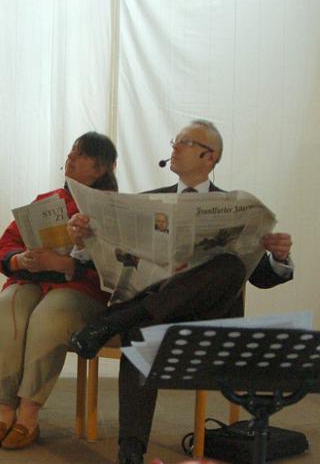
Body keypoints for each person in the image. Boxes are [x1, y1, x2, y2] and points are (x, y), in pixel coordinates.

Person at [67, 120, 294, 464]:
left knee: (231, 266)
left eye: (185, 142)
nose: (174, 147)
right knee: (141, 332)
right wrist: (84, 241)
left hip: (208, 317)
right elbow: (106, 260)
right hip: (157, 312)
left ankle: (114, 320)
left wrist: (279, 257)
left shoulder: (235, 208)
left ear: (209, 156)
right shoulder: (146, 202)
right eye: (176, 140)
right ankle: (131, 451)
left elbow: (260, 277)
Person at [0, 132, 118, 450]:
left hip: (80, 289)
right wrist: (20, 259)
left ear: (102, 168)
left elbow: (117, 267)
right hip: (32, 281)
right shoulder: (48, 200)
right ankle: (5, 413)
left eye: (81, 154)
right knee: (5, 310)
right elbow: (8, 244)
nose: (71, 157)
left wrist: (66, 264)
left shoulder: (111, 207)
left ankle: (28, 416)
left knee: (49, 317)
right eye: (72, 150)